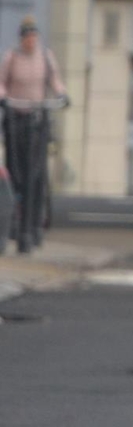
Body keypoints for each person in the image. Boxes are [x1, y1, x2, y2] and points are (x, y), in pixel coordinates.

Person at [3, 18, 66, 252]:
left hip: (38, 118)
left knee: (36, 174)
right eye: (27, 37)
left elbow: (55, 81)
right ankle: (15, 224)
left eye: (34, 37)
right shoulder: (12, 57)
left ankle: (33, 226)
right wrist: (3, 98)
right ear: (22, 39)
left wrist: (61, 94)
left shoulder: (45, 58)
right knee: (15, 171)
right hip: (15, 118)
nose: (31, 41)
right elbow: (1, 82)